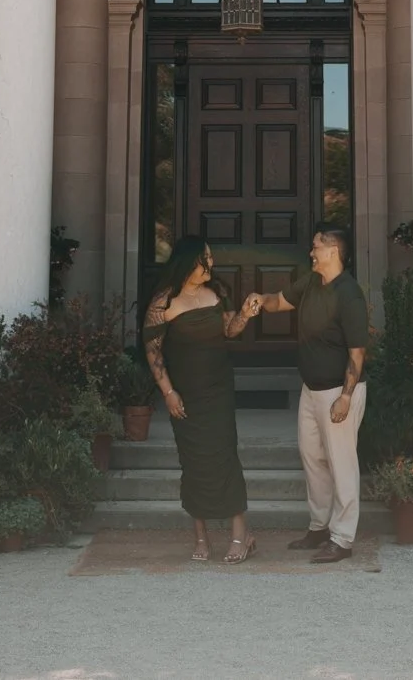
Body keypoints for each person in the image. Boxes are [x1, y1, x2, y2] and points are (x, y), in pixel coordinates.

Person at [249, 225, 368, 563]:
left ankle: (342, 539)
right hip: (311, 389)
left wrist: (345, 397)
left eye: (316, 246)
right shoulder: (311, 283)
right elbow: (280, 301)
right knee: (312, 457)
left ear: (333, 251)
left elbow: (357, 352)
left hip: (339, 391)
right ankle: (319, 526)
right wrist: (260, 300)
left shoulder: (349, 294)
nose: (311, 252)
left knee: (342, 463)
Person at [142, 235, 261, 563]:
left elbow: (229, 330)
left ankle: (241, 535)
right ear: (189, 262)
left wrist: (247, 315)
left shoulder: (217, 292)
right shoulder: (162, 303)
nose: (212, 264)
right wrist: (167, 392)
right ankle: (201, 538)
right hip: (185, 395)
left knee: (225, 457)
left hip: (218, 390)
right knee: (193, 462)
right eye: (206, 259)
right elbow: (153, 352)